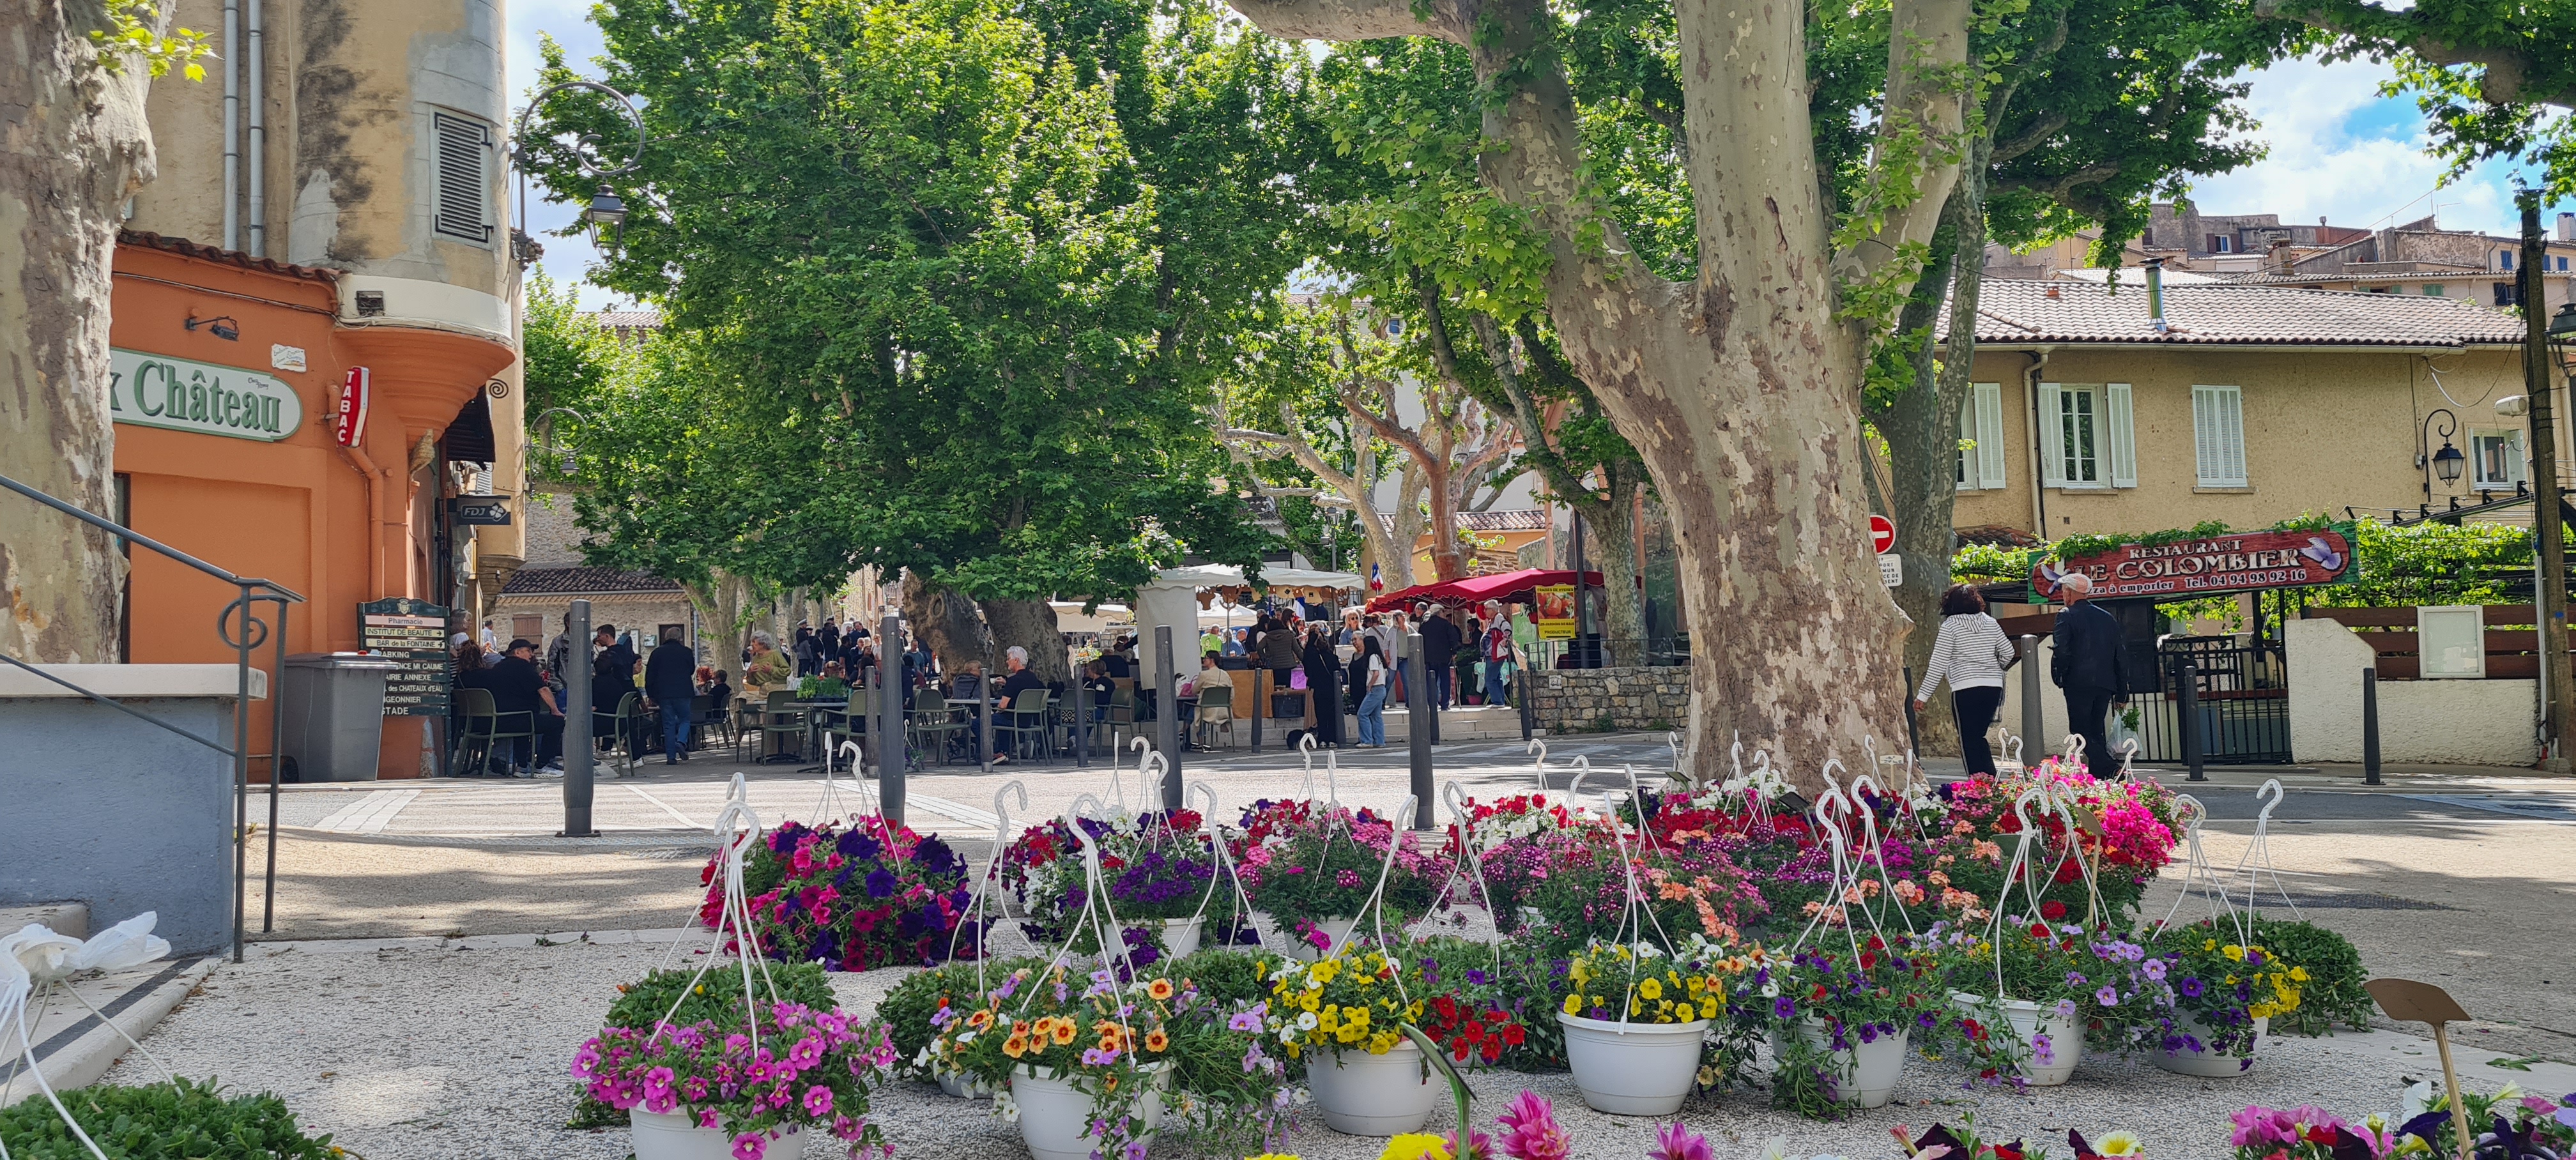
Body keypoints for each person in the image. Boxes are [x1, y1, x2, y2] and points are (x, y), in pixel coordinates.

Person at [1913, 583, 2018, 777]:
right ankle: (1989, 780)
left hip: (1965, 686)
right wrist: (1996, 666)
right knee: (1979, 736)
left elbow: (1938, 663)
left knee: (1968, 739)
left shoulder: (1950, 626)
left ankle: (1978, 784)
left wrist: (1923, 696)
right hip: (1993, 686)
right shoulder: (1990, 622)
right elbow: (2008, 652)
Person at [2050, 572, 2131, 775]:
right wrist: (2122, 692)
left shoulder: (2066, 614)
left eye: (2064, 591)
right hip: (2105, 683)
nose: (2062, 595)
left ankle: (2111, 767)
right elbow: (2120, 656)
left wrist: (2061, 676)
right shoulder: (2107, 618)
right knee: (2096, 731)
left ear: (2069, 592)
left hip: (2078, 683)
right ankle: (2102, 776)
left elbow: (2062, 650)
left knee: (2079, 731)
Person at [488, 638, 565, 775]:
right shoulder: (523, 667)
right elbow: (544, 690)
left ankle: (523, 766)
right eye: (528, 651)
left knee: (525, 718)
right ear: (518, 652)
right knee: (557, 722)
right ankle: (542, 765)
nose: (531, 655)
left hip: (499, 721)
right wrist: (555, 709)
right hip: (521, 720)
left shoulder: (497, 667)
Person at [644, 630, 699, 764]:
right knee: (685, 719)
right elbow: (691, 669)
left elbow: (650, 675)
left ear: (665, 637)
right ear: (680, 638)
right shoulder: (686, 652)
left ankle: (671, 757)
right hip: (683, 692)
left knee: (668, 724)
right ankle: (681, 742)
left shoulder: (657, 653)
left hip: (664, 693)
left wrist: (651, 693)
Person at [590, 625, 640, 755]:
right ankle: (632, 754)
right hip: (624, 691)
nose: (597, 638)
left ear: (607, 636)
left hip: (615, 690)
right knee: (627, 723)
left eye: (599, 635)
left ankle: (609, 750)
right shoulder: (624, 652)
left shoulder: (612, 655)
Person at [992, 645, 1046, 763]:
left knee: (980, 722)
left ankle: (995, 752)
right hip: (1028, 719)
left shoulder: (1014, 680)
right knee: (1000, 719)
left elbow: (1003, 705)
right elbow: (1021, 688)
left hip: (1013, 718)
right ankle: (1003, 752)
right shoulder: (1034, 679)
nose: (1007, 661)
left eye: (1009, 658)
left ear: (1016, 660)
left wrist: (994, 711)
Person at [1301, 623, 1344, 747]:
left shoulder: (1312, 657)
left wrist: (1312, 636)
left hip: (1318, 689)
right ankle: (1332, 739)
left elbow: (1308, 669)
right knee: (1331, 715)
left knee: (1321, 715)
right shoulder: (1333, 658)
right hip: (1331, 689)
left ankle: (1323, 739)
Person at [1418, 602, 1460, 712]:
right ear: (1440, 612)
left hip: (1429, 658)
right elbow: (1454, 639)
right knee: (1445, 682)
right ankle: (1445, 704)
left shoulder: (1424, 626)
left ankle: (1432, 704)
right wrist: (1454, 652)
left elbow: (1420, 642)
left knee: (1431, 682)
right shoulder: (1446, 625)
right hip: (1444, 658)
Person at [1354, 635, 1391, 747]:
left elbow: (1376, 673)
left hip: (1375, 688)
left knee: (1362, 714)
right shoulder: (1379, 657)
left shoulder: (1372, 657)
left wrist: (1370, 685)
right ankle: (1379, 741)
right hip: (1381, 688)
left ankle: (1367, 740)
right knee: (1376, 716)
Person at [1257, 613, 1302, 692]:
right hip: (1288, 665)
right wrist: (1304, 660)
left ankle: (1276, 703)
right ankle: (1286, 702)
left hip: (1274, 665)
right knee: (1287, 689)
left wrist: (1264, 659)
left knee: (1275, 689)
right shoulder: (1289, 635)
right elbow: (1298, 650)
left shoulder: (1267, 637)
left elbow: (1259, 647)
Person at [1481, 613, 1515, 708]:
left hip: (1495, 655)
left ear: (1492, 610)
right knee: (1496, 678)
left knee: (1490, 679)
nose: (1485, 611)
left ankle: (1498, 702)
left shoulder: (1498, 618)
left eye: (1487, 609)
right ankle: (1500, 701)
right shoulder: (1492, 621)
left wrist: (1506, 637)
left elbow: (1507, 627)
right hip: (1492, 656)